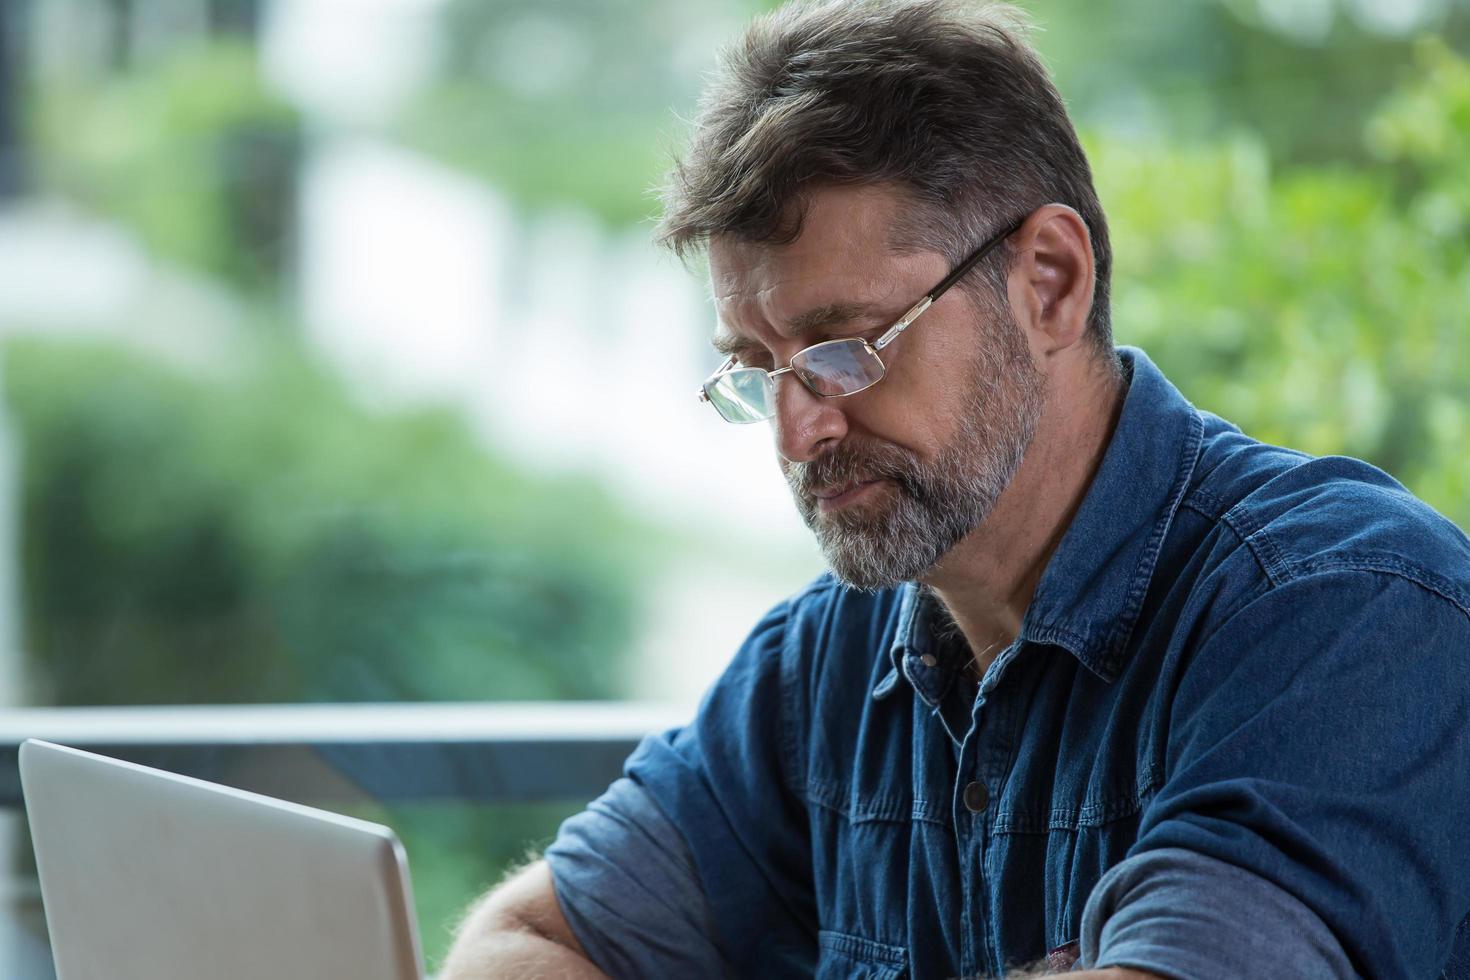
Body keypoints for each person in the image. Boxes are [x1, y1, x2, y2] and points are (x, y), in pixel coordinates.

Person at [441, 1, 1470, 977]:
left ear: (1050, 282)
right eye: (758, 367)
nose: (801, 429)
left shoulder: (1350, 609)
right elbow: (520, 937)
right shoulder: (822, 666)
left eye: (845, 348)